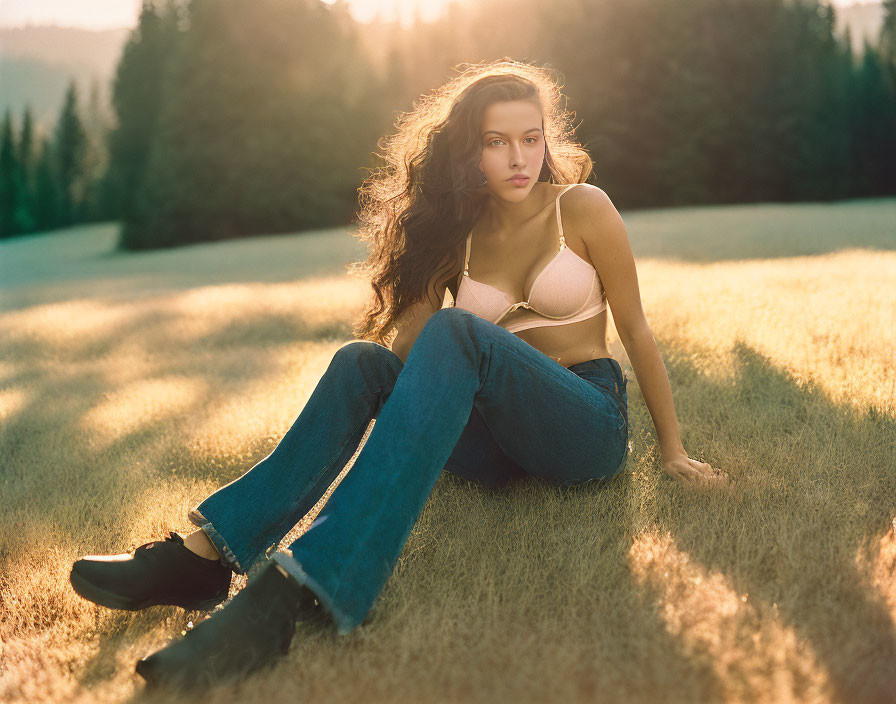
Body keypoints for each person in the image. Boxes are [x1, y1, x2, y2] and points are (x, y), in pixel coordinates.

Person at [69, 58, 728, 690]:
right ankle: (204, 556)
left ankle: (306, 584)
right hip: (494, 449)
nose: (518, 156)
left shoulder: (583, 208)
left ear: (546, 140)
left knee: (461, 332)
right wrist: (424, 246)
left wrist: (672, 450)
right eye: (496, 142)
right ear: (469, 152)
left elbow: (636, 330)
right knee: (362, 363)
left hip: (584, 420)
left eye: (530, 138)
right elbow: (417, 361)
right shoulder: (457, 237)